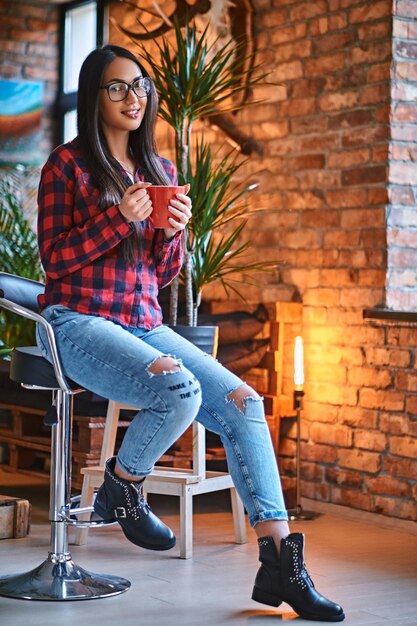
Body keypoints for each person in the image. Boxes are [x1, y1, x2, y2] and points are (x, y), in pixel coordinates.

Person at [36, 44, 344, 622]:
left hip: (144, 323)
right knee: (179, 389)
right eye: (118, 87)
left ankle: (282, 563)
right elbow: (55, 261)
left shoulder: (161, 171)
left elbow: (162, 273)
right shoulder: (68, 165)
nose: (134, 97)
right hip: (77, 323)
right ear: (94, 97)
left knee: (245, 403)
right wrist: (116, 218)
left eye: (140, 86)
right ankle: (122, 487)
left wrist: (175, 232)